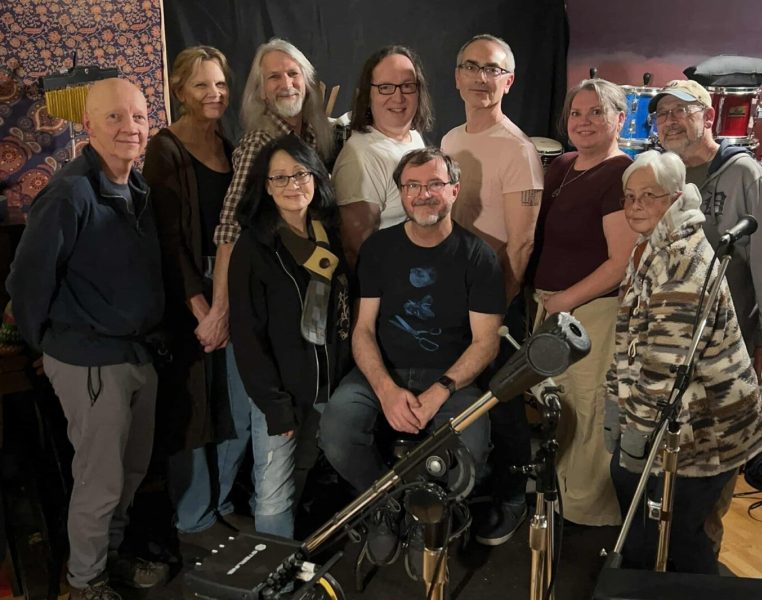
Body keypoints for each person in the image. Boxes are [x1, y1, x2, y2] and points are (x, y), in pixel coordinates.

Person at [6, 78, 168, 598]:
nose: (131, 127)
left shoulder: (137, 189)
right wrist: (47, 347)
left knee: (129, 472)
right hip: (92, 361)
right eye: (115, 117)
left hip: (136, 354)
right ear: (88, 125)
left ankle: (109, 559)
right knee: (100, 484)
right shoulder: (70, 192)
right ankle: (84, 582)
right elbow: (26, 280)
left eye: (139, 116)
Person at [319, 147, 505, 564]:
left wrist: (440, 390)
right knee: (336, 430)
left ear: (454, 190)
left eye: (435, 184)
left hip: (451, 378)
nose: (424, 194)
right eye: (413, 186)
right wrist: (385, 389)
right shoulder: (380, 249)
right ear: (401, 194)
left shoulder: (479, 257)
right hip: (382, 371)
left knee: (472, 447)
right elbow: (363, 330)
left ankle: (429, 514)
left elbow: (485, 343)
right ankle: (382, 504)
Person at [604, 150, 762, 574]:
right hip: (671, 422)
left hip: (707, 433)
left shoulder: (683, 261)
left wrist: (633, 435)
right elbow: (631, 339)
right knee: (648, 527)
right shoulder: (653, 244)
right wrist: (615, 405)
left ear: (676, 198)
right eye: (629, 196)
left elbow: (665, 368)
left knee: (683, 543)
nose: (636, 205)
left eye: (649, 196)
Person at [649, 79, 762, 554]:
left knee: (714, 460)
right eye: (663, 113)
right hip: (670, 345)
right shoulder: (659, 174)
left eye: (681, 112)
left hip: (725, 348)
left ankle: (700, 560)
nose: (670, 121)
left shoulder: (743, 174)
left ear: (708, 116)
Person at [142, 46, 251, 555]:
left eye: (221, 84)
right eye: (202, 85)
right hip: (188, 302)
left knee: (232, 407)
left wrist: (226, 304)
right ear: (180, 90)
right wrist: (201, 309)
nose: (215, 94)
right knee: (191, 410)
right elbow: (168, 238)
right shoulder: (164, 148)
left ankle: (224, 501)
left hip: (229, 295)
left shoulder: (230, 147)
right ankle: (193, 518)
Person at [441, 33, 544, 546]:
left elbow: (520, 245)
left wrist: (495, 313)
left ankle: (510, 497)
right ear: (457, 75)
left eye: (493, 69)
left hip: (495, 304)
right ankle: (474, 486)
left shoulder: (518, 151)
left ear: (509, 80)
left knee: (502, 402)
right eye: (472, 67)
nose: (482, 78)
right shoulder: (450, 140)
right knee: (466, 400)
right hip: (454, 297)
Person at [227, 135, 351, 539]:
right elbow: (247, 336)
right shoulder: (254, 245)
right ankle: (274, 576)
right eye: (279, 178)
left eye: (300, 174)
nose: (292, 185)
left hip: (330, 386)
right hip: (281, 392)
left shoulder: (329, 233)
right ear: (264, 185)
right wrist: (275, 405)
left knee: (305, 474)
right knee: (274, 491)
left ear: (316, 176)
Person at [530, 78, 638, 527]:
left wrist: (566, 301)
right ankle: (556, 493)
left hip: (590, 312)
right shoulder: (564, 166)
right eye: (577, 113)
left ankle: (586, 512)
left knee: (588, 408)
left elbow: (622, 261)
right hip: (552, 307)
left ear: (620, 118)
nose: (585, 121)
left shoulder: (622, 174)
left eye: (597, 112)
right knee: (556, 404)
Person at [203, 38, 334, 355]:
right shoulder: (259, 142)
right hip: (267, 294)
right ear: (261, 91)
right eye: (273, 77)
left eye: (293, 74)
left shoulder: (313, 136)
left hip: (306, 287)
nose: (286, 84)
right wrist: (220, 310)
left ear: (307, 81)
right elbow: (230, 228)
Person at [333, 45, 433, 268]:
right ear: (368, 95)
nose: (398, 97)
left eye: (407, 86)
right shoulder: (361, 157)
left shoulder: (413, 138)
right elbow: (357, 251)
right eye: (386, 87)